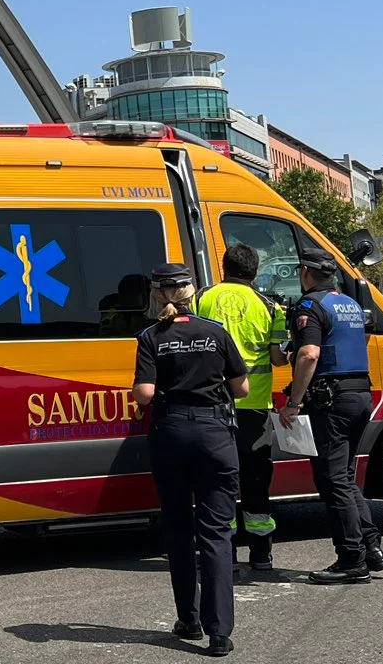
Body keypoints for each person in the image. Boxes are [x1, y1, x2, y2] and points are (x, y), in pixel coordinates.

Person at [135, 263, 248, 658]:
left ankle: (189, 618)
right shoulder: (216, 332)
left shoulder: (151, 336)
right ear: (190, 292)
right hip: (215, 434)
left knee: (178, 529)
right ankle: (220, 634)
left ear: (157, 295)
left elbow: (145, 394)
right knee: (217, 534)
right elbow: (242, 386)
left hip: (172, 433)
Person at [279, 245, 383, 584]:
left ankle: (351, 559)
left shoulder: (310, 305)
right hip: (359, 396)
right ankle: (370, 547)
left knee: (332, 479)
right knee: (346, 476)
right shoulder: (349, 304)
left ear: (305, 273)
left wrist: (294, 402)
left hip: (331, 401)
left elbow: (309, 354)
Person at [194, 243, 283, 571]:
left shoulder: (202, 298)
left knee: (218, 481)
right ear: (254, 271)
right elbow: (277, 357)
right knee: (256, 481)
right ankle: (261, 555)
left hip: (211, 404)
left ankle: (225, 556)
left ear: (224, 267)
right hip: (255, 406)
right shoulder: (269, 306)